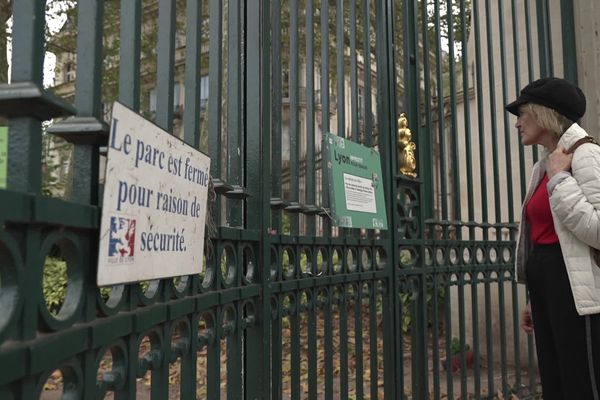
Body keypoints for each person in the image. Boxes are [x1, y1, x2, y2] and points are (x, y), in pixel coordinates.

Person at [506, 77, 600, 399]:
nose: (517, 123)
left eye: (522, 113)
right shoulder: (543, 165)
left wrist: (561, 178)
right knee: (555, 380)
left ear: (543, 113)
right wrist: (534, 295)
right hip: (547, 283)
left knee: (581, 382)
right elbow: (544, 235)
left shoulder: (584, 155)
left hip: (574, 290)